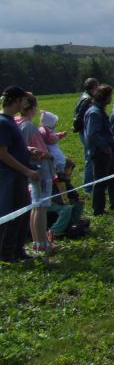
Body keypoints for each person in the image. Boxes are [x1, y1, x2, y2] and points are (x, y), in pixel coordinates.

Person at [0, 86, 38, 263]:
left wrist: (28, 151)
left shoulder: (10, 121)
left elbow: (12, 148)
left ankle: (18, 250)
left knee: (23, 212)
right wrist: (27, 170)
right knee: (13, 214)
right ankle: (7, 254)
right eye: (23, 100)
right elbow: (2, 153)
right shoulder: (3, 123)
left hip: (18, 176)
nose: (25, 104)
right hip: (10, 177)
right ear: (16, 100)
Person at [17, 94, 57, 254]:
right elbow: (33, 150)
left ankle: (38, 242)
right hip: (40, 170)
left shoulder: (18, 123)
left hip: (34, 170)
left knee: (36, 206)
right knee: (41, 207)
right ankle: (42, 243)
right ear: (32, 108)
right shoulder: (28, 126)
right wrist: (49, 155)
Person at [83, 84, 114, 216]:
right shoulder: (94, 113)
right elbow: (92, 134)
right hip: (100, 152)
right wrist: (105, 147)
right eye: (110, 95)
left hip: (107, 151)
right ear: (105, 96)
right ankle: (98, 210)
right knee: (101, 182)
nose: (111, 98)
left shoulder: (99, 110)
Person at [72, 77, 99, 193]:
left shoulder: (84, 96)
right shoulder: (87, 99)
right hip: (86, 131)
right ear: (94, 87)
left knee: (90, 156)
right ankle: (88, 187)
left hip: (84, 130)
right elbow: (80, 116)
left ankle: (92, 183)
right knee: (90, 158)